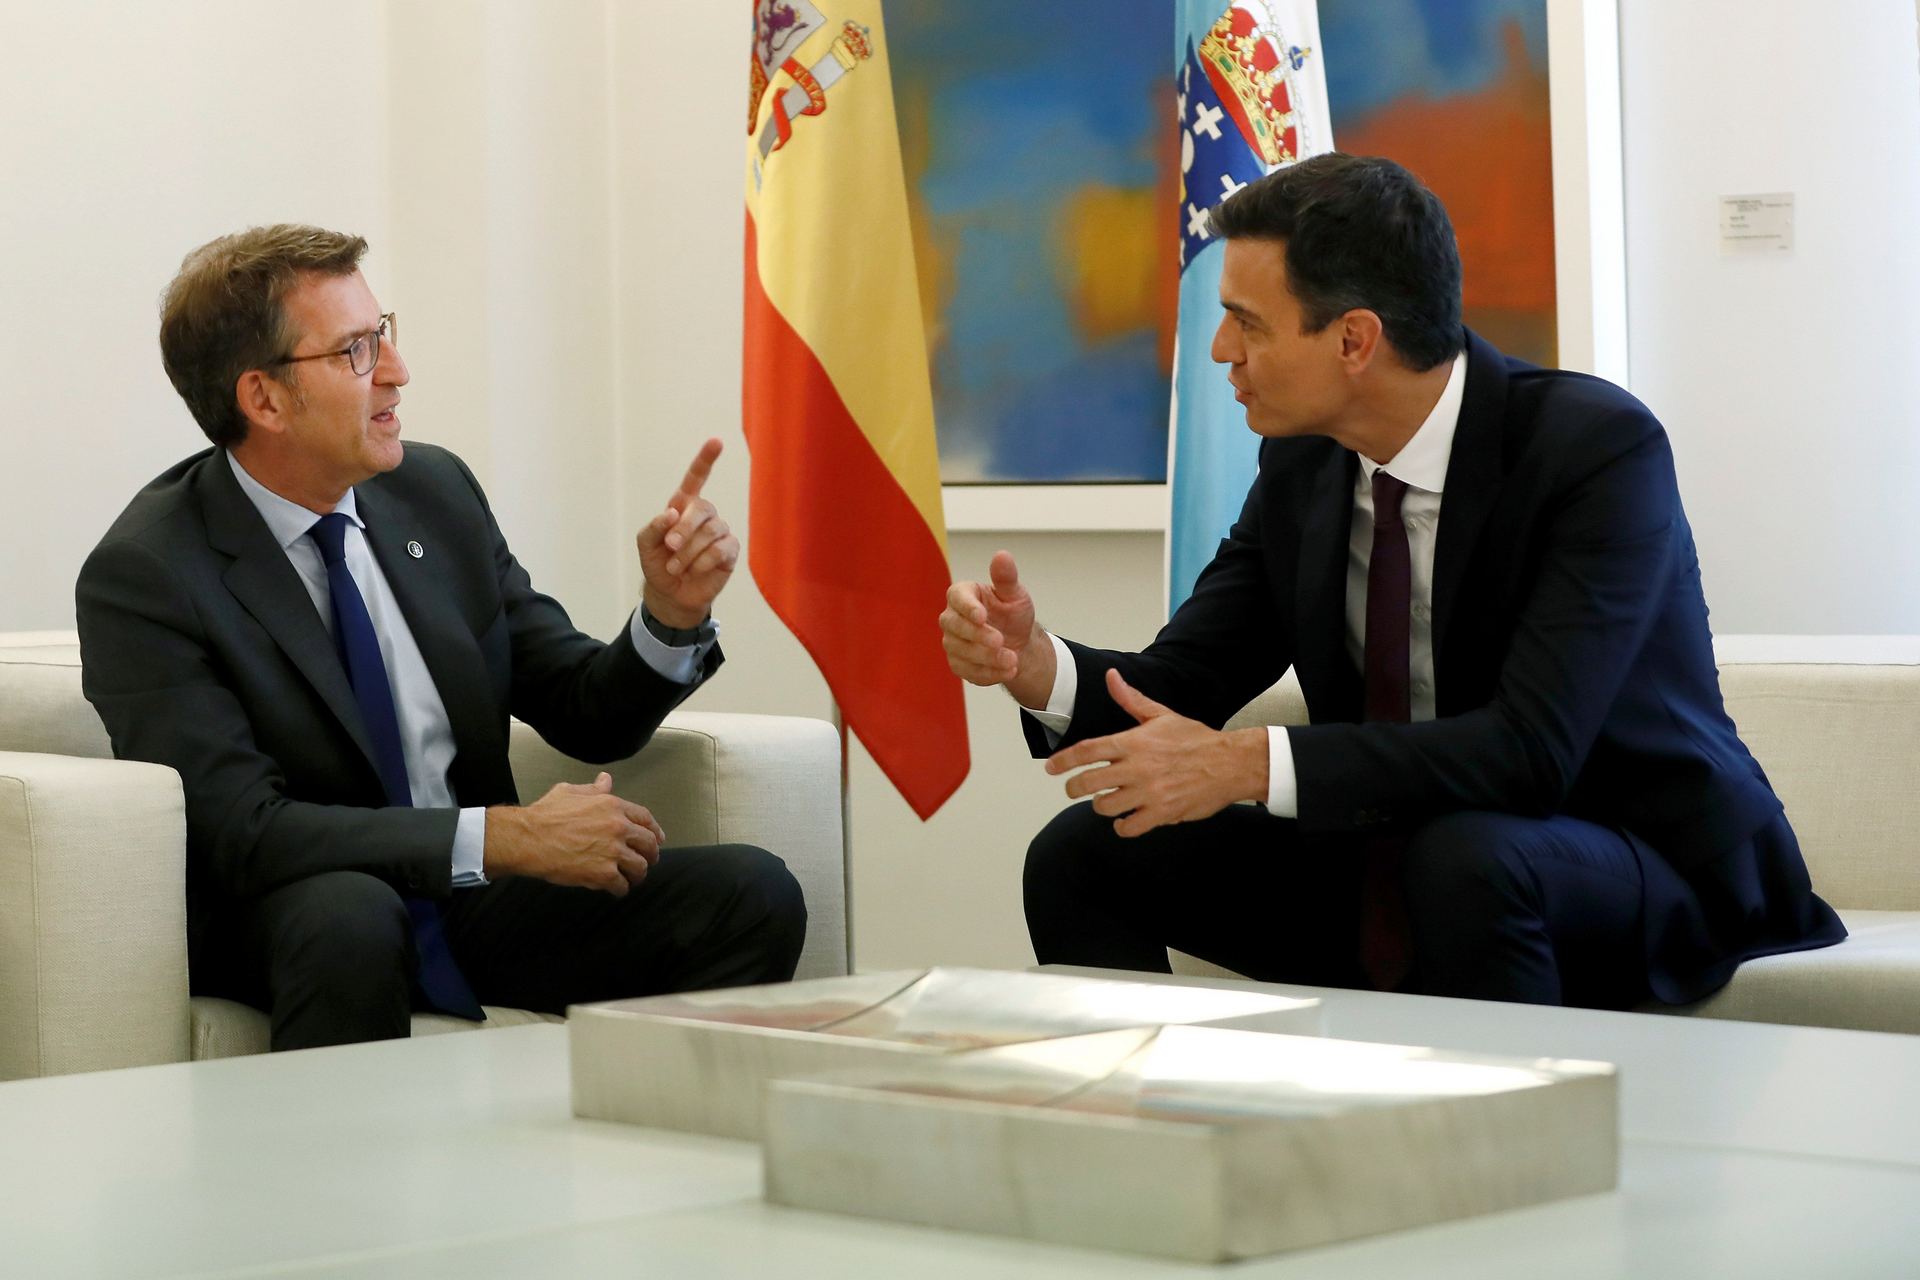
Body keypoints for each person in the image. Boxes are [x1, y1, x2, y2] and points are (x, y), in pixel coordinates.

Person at [940, 154, 1843, 1008]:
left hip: (1631, 858)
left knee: (1468, 862)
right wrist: (1038, 667)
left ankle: (1505, 1166)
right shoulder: (1303, 468)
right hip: (1406, 854)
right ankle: (1150, 1148)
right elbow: (1181, 689)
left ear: (1354, 340)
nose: (1220, 350)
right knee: (1085, 852)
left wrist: (1250, 764)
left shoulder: (1593, 451)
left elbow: (1532, 753)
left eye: (1247, 322)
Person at [77, 224, 805, 1051]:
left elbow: (582, 711)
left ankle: (653, 1162)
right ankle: (343, 1183)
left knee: (753, 892)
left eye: (383, 331)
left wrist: (669, 616)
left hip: (470, 897)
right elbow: (244, 832)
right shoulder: (148, 573)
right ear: (265, 400)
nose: (395, 370)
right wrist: (503, 836)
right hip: (299, 906)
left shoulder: (434, 492)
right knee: (350, 914)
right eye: (355, 351)